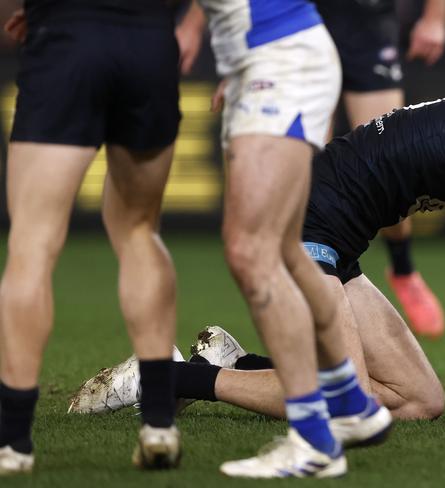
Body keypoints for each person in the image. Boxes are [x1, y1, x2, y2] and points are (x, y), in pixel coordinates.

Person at [70, 52, 445, 431]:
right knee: (346, 405)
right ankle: (162, 376)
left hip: (338, 246)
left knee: (420, 401)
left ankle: (236, 363)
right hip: (296, 222)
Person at [172, 0, 392, 479]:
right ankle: (352, 404)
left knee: (253, 251)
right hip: (278, 57)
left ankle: (314, 441)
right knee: (286, 251)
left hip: (278, 62)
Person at [0, 2, 183, 475]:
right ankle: (159, 423)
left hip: (66, 33)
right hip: (148, 38)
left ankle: (13, 441)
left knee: (32, 243)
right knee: (140, 229)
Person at [315, 0, 445, 339]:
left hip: (368, 23)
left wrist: (435, 17)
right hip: (306, 23)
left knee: (389, 164)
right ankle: (322, 273)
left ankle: (403, 269)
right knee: (309, 170)